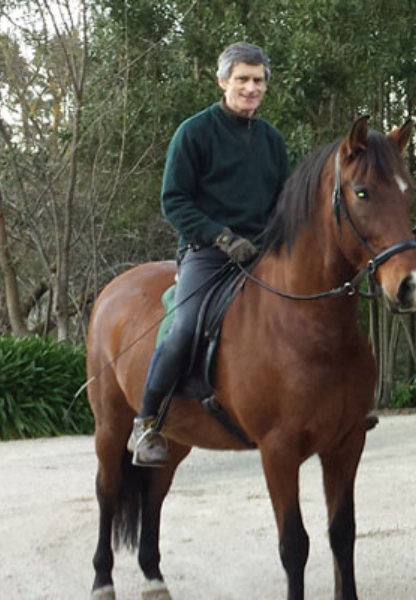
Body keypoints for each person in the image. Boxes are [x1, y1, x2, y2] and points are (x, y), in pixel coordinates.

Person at [127, 42, 290, 467]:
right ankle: (147, 421)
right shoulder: (194, 132)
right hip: (207, 253)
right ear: (223, 81)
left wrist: (276, 240)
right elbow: (174, 201)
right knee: (184, 326)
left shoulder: (272, 141)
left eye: (258, 80)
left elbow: (282, 204)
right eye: (242, 79)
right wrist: (221, 237)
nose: (251, 88)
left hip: (261, 252)